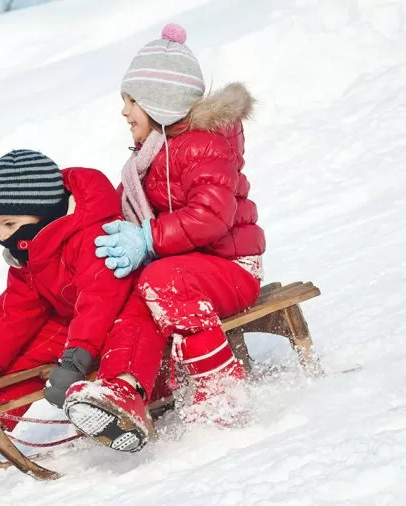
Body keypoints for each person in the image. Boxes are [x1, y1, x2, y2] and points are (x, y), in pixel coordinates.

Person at [0, 149, 169, 464]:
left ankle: (119, 404)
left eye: (9, 223)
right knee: (27, 354)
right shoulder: (30, 254)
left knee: (129, 333)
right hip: (73, 322)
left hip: (121, 311)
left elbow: (100, 300)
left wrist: (74, 361)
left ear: (42, 211)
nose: (2, 236)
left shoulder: (92, 235)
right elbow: (13, 312)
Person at [62, 24, 265, 433]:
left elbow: (212, 216)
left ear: (161, 102)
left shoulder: (203, 145)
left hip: (232, 268)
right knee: (137, 289)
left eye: (132, 100)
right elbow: (119, 210)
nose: (124, 111)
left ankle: (222, 392)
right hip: (188, 268)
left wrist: (148, 239)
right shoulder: (151, 155)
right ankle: (126, 390)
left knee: (160, 276)